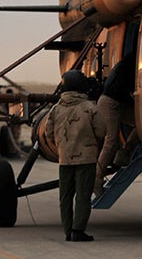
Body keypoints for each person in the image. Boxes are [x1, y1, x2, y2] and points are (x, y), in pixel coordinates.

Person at [44, 70, 107, 242]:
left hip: (64, 158)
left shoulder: (56, 109)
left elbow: (48, 132)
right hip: (86, 158)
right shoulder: (90, 108)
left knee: (65, 196)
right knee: (83, 195)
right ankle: (78, 230)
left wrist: (62, 145)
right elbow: (102, 131)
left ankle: (67, 230)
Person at [96, 47, 137, 195]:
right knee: (111, 141)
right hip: (110, 102)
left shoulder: (128, 63)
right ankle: (97, 178)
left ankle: (125, 152)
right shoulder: (135, 64)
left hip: (119, 103)